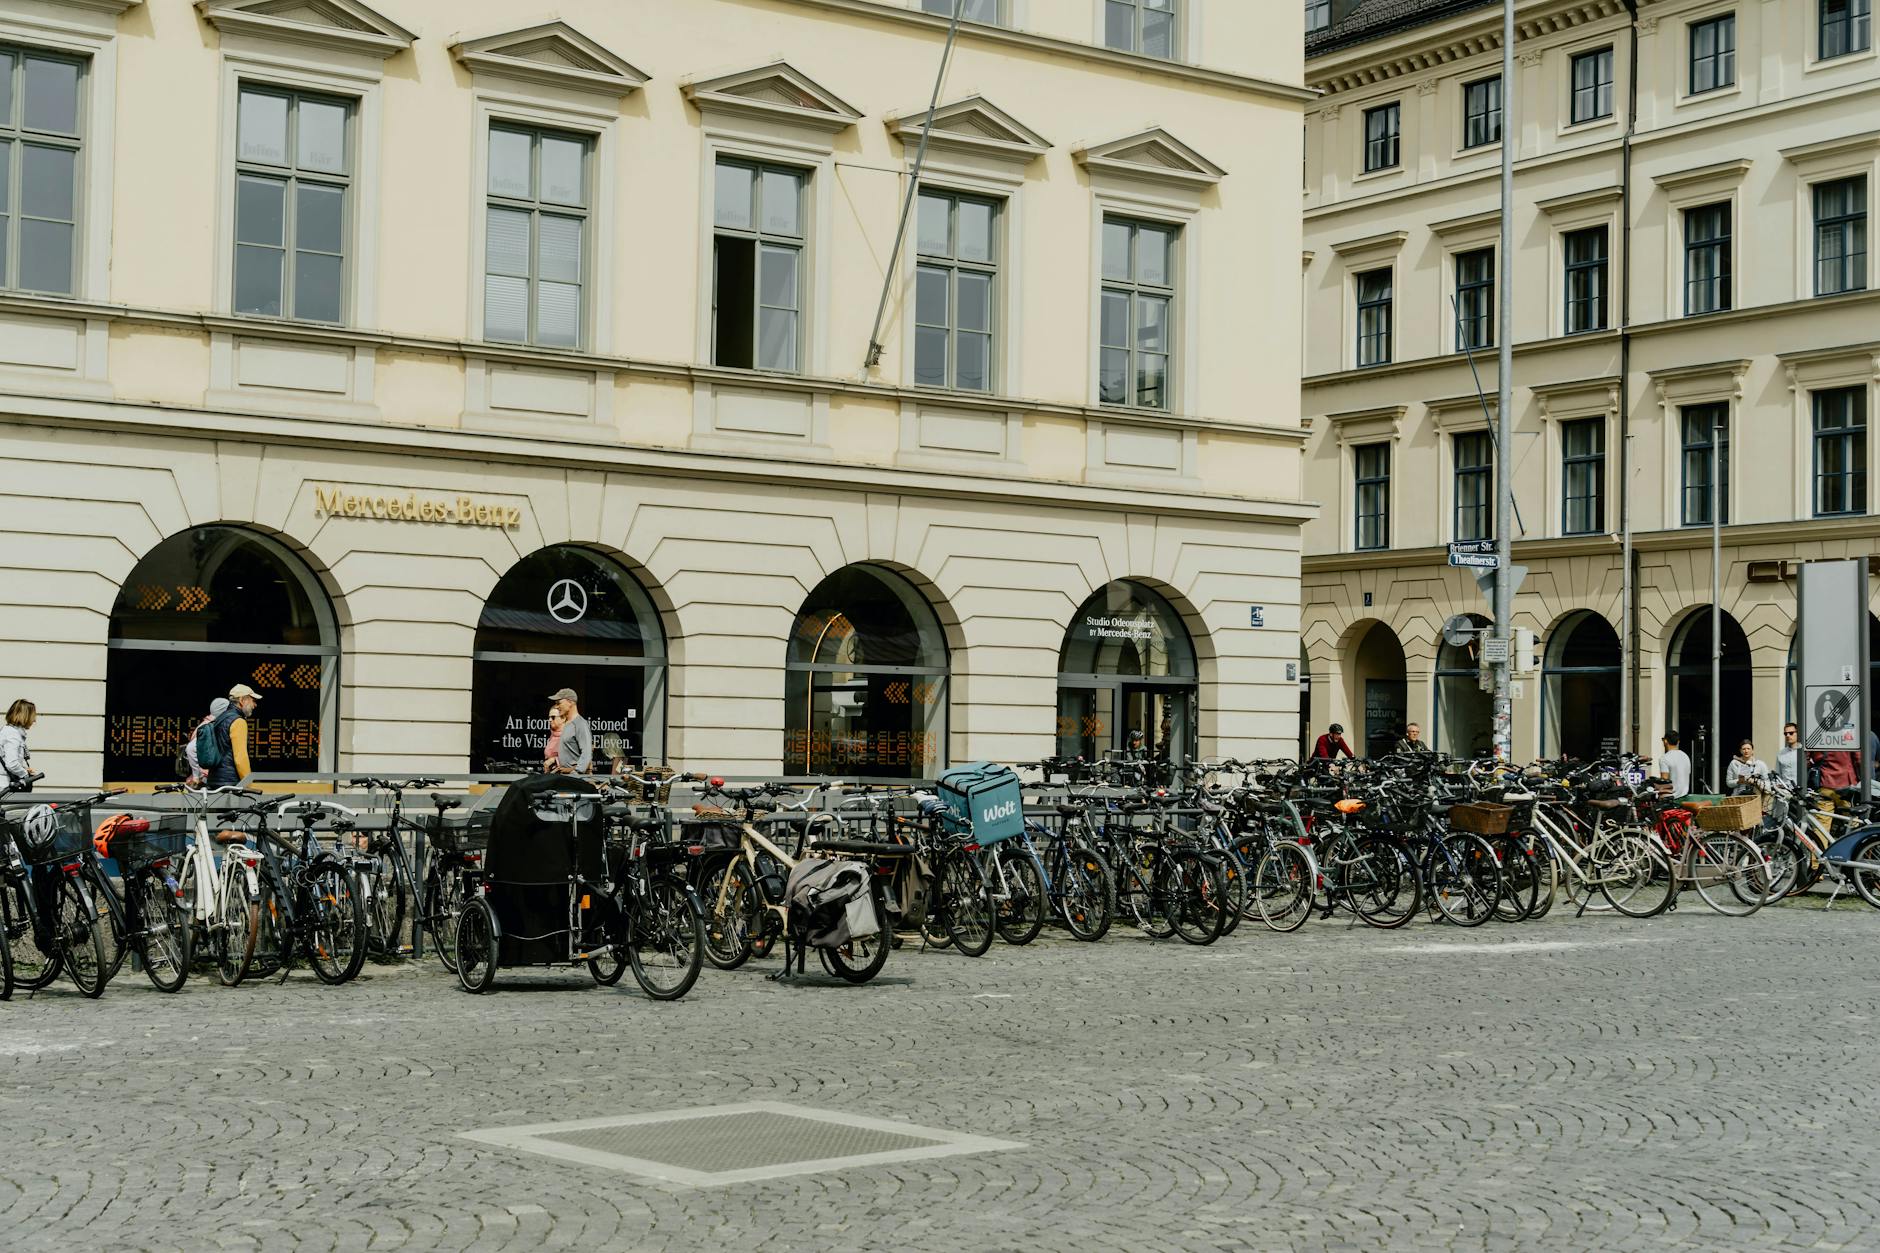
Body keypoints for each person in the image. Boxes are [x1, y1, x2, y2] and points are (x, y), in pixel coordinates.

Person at [206, 684, 260, 787]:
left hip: (214, 781)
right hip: (231, 784)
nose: (255, 705)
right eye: (253, 700)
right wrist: (250, 785)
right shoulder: (238, 721)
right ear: (242, 700)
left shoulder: (221, 718)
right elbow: (240, 759)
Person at [183, 697, 230, 785]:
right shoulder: (210, 726)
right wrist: (197, 775)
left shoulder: (213, 723)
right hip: (207, 778)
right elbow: (190, 749)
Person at [549, 687, 593, 775]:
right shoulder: (567, 724)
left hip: (574, 780)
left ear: (570, 702)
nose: (557, 707)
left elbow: (587, 752)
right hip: (565, 776)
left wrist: (576, 772)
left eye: (559, 703)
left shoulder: (580, 724)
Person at [1, 699, 36, 792]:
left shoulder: (8, 731)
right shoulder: (12, 734)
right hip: (4, 787)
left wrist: (23, 769)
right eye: (32, 716)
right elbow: (11, 764)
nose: (34, 720)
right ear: (25, 716)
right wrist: (25, 774)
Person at [1654, 730, 1692, 799]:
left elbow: (1664, 781)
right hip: (1685, 796)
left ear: (1665, 741)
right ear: (1678, 742)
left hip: (1672, 797)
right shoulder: (1685, 756)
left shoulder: (1664, 758)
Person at [1777, 722, 1802, 787]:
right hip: (1785, 791)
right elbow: (1778, 774)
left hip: (1801, 790)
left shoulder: (1803, 752)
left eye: (1791, 733)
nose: (1788, 735)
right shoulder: (1781, 753)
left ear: (1798, 733)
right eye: (1785, 734)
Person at [542, 705, 565, 772]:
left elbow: (577, 760)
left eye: (553, 717)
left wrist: (554, 760)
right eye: (549, 717)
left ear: (563, 718)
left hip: (567, 778)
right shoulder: (553, 735)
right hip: (552, 776)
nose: (549, 720)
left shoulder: (570, 736)